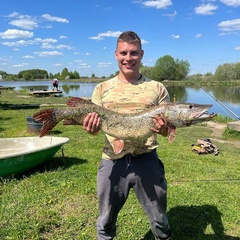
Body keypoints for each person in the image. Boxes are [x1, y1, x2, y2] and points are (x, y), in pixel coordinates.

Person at [83, 31, 172, 240]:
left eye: (133, 53)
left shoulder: (157, 88)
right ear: (116, 54)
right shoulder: (102, 88)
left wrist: (165, 128)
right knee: (105, 220)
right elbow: (95, 128)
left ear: (141, 54)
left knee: (160, 219)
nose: (128, 58)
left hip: (147, 160)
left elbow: (167, 129)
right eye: (123, 53)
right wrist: (92, 128)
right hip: (112, 162)